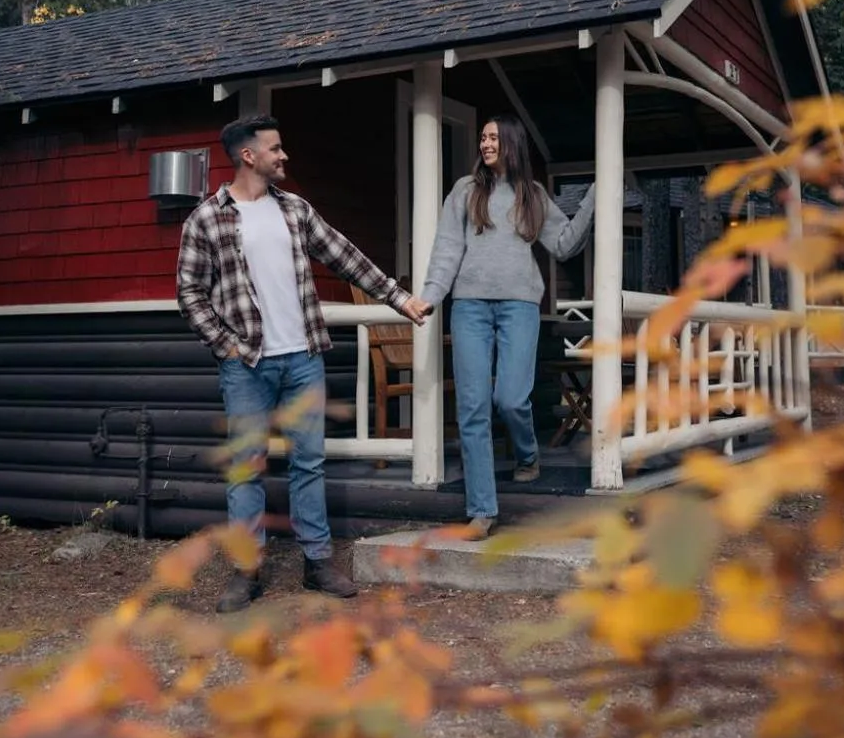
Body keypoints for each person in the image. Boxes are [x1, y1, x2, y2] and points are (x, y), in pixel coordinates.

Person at [177, 114, 429, 611]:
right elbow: (189, 291)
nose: (283, 155)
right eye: (275, 148)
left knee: (308, 463)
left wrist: (400, 299)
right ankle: (246, 572)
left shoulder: (295, 209)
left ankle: (317, 563)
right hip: (246, 362)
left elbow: (346, 256)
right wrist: (224, 344)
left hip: (303, 358)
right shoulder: (207, 217)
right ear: (249, 156)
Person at [418, 114, 595, 539]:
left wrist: (594, 197)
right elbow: (447, 249)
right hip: (469, 308)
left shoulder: (533, 195)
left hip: (519, 306)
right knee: (473, 407)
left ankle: (528, 454)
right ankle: (482, 511)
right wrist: (431, 295)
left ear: (513, 142)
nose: (485, 143)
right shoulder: (465, 190)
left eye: (493, 137)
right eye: (482, 137)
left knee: (512, 398)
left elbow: (564, 243)